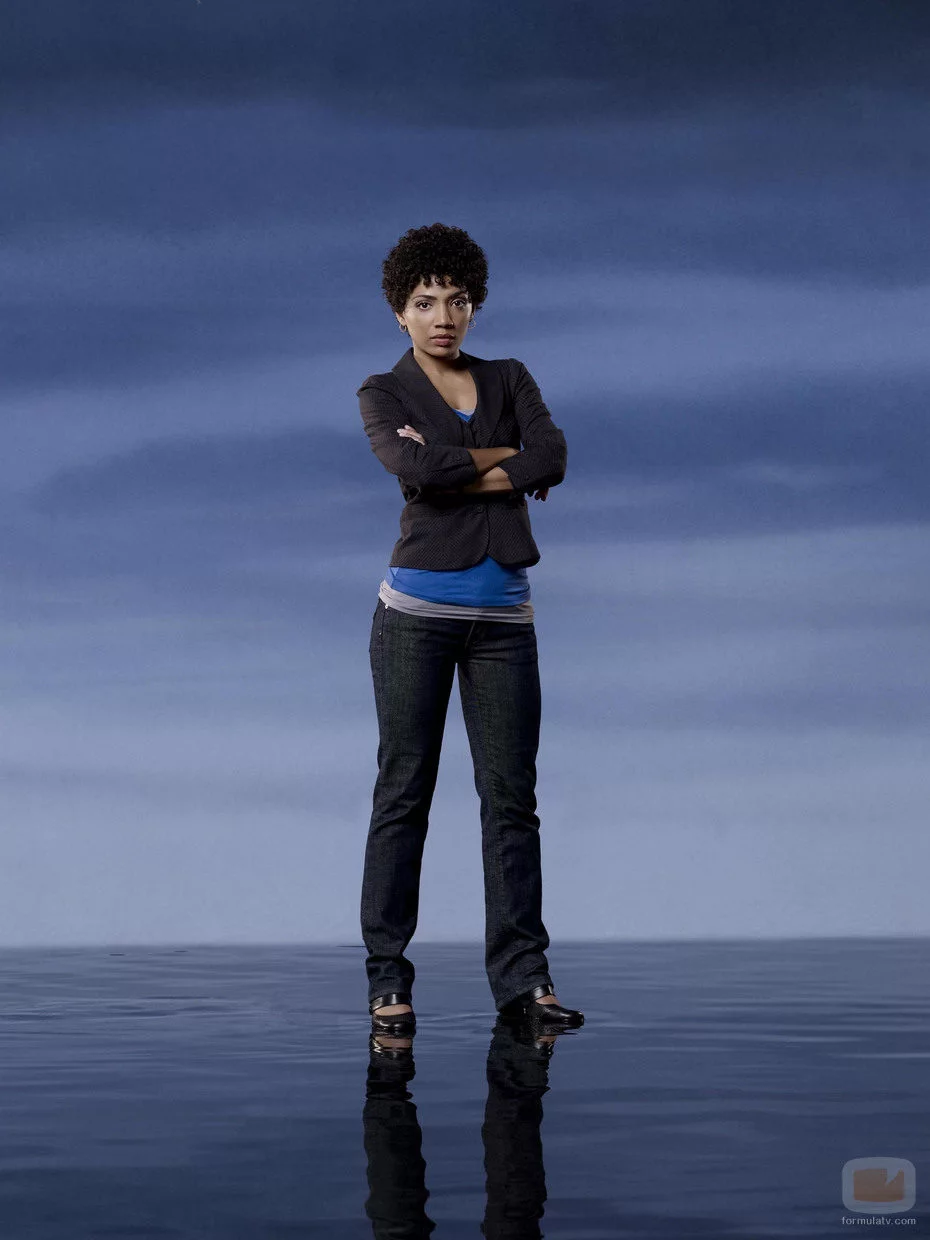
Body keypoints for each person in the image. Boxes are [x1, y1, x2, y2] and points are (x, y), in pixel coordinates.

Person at [357, 222, 584, 1036]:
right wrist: (503, 459)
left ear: (475, 305)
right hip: (415, 618)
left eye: (457, 300)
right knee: (404, 794)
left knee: (511, 801)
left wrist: (475, 467)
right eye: (425, 302)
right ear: (400, 312)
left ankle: (526, 983)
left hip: (504, 622)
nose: (443, 316)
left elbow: (552, 455)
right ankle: (389, 980)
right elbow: (417, 470)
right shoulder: (382, 394)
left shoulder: (508, 376)